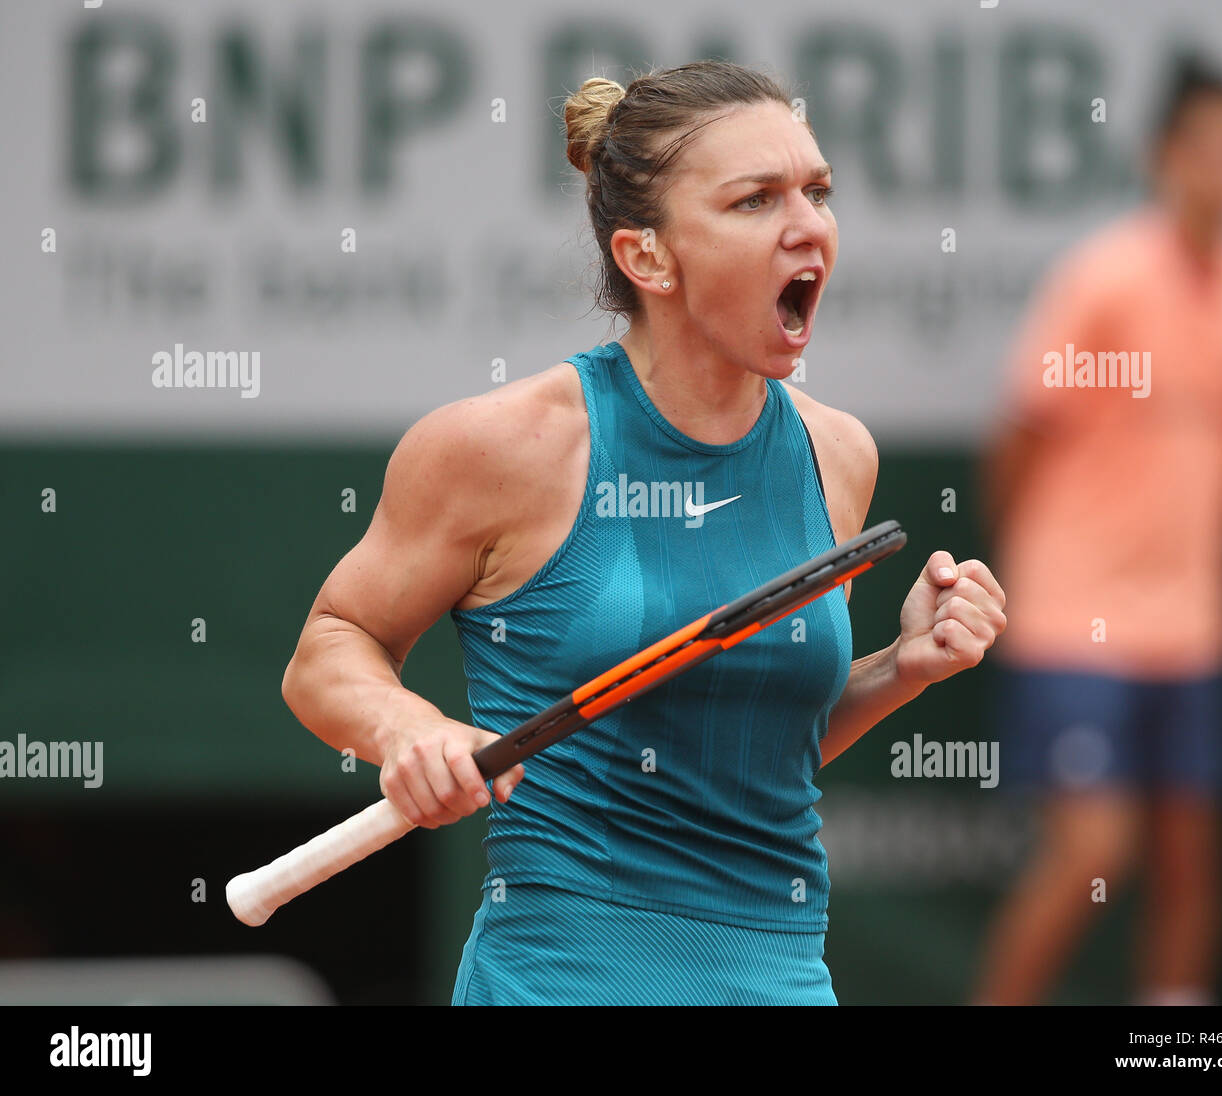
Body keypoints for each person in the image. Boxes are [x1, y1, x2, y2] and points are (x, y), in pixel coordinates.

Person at [281, 59, 1006, 1005]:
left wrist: (904, 667)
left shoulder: (839, 456)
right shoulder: (502, 446)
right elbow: (329, 649)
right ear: (648, 258)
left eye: (817, 192)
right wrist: (408, 728)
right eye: (755, 201)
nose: (807, 226)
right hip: (559, 979)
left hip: (782, 978)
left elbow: (742, 740)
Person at [974, 58, 1222, 1006]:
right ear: (1163, 156)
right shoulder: (1102, 279)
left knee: (1191, 860)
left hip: (1193, 625)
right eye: (1209, 148)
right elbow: (1020, 441)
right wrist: (1035, 576)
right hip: (1077, 621)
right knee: (1095, 849)